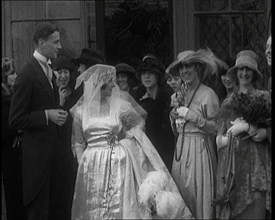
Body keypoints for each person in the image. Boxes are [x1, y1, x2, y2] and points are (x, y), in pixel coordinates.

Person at [70, 64, 194, 219]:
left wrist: (128, 139)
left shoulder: (118, 105)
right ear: (99, 85)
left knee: (117, 202)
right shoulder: (81, 111)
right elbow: (79, 142)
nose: (114, 85)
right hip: (91, 164)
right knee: (93, 204)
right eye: (110, 81)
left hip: (116, 160)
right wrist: (83, 163)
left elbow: (139, 121)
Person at [9, 22, 68, 220]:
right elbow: (16, 118)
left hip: (52, 157)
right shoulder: (27, 73)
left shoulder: (48, 70)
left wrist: (57, 109)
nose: (59, 46)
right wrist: (47, 115)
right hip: (37, 163)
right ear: (42, 43)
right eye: (56, 42)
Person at [215, 50, 271, 219]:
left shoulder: (264, 97)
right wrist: (222, 140)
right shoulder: (228, 101)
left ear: (254, 73)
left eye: (248, 69)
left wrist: (253, 129)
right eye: (241, 69)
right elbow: (219, 135)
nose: (244, 73)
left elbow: (268, 128)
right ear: (236, 72)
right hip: (234, 164)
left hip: (256, 165)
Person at [168, 49, 220, 219]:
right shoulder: (178, 95)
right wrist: (173, 117)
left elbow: (216, 128)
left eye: (189, 66)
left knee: (199, 195)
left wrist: (194, 117)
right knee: (181, 194)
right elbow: (176, 131)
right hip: (181, 150)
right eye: (182, 68)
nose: (185, 71)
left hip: (200, 150)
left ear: (198, 67)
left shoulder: (208, 94)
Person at [134, 54, 175, 172]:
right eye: (143, 73)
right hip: (146, 144)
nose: (146, 76)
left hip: (165, 145)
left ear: (157, 75)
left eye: (150, 73)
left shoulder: (167, 94)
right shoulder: (138, 95)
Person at [51, 56, 79, 220]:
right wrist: (60, 103)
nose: (63, 76)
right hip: (56, 149)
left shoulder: (75, 93)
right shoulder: (50, 93)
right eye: (60, 72)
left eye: (66, 72)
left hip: (72, 147)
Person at [2, 57, 26, 220]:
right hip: (7, 150)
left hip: (18, 150)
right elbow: (7, 126)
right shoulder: (3, 99)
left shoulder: (13, 95)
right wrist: (18, 129)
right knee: (12, 191)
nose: (16, 76)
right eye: (12, 73)